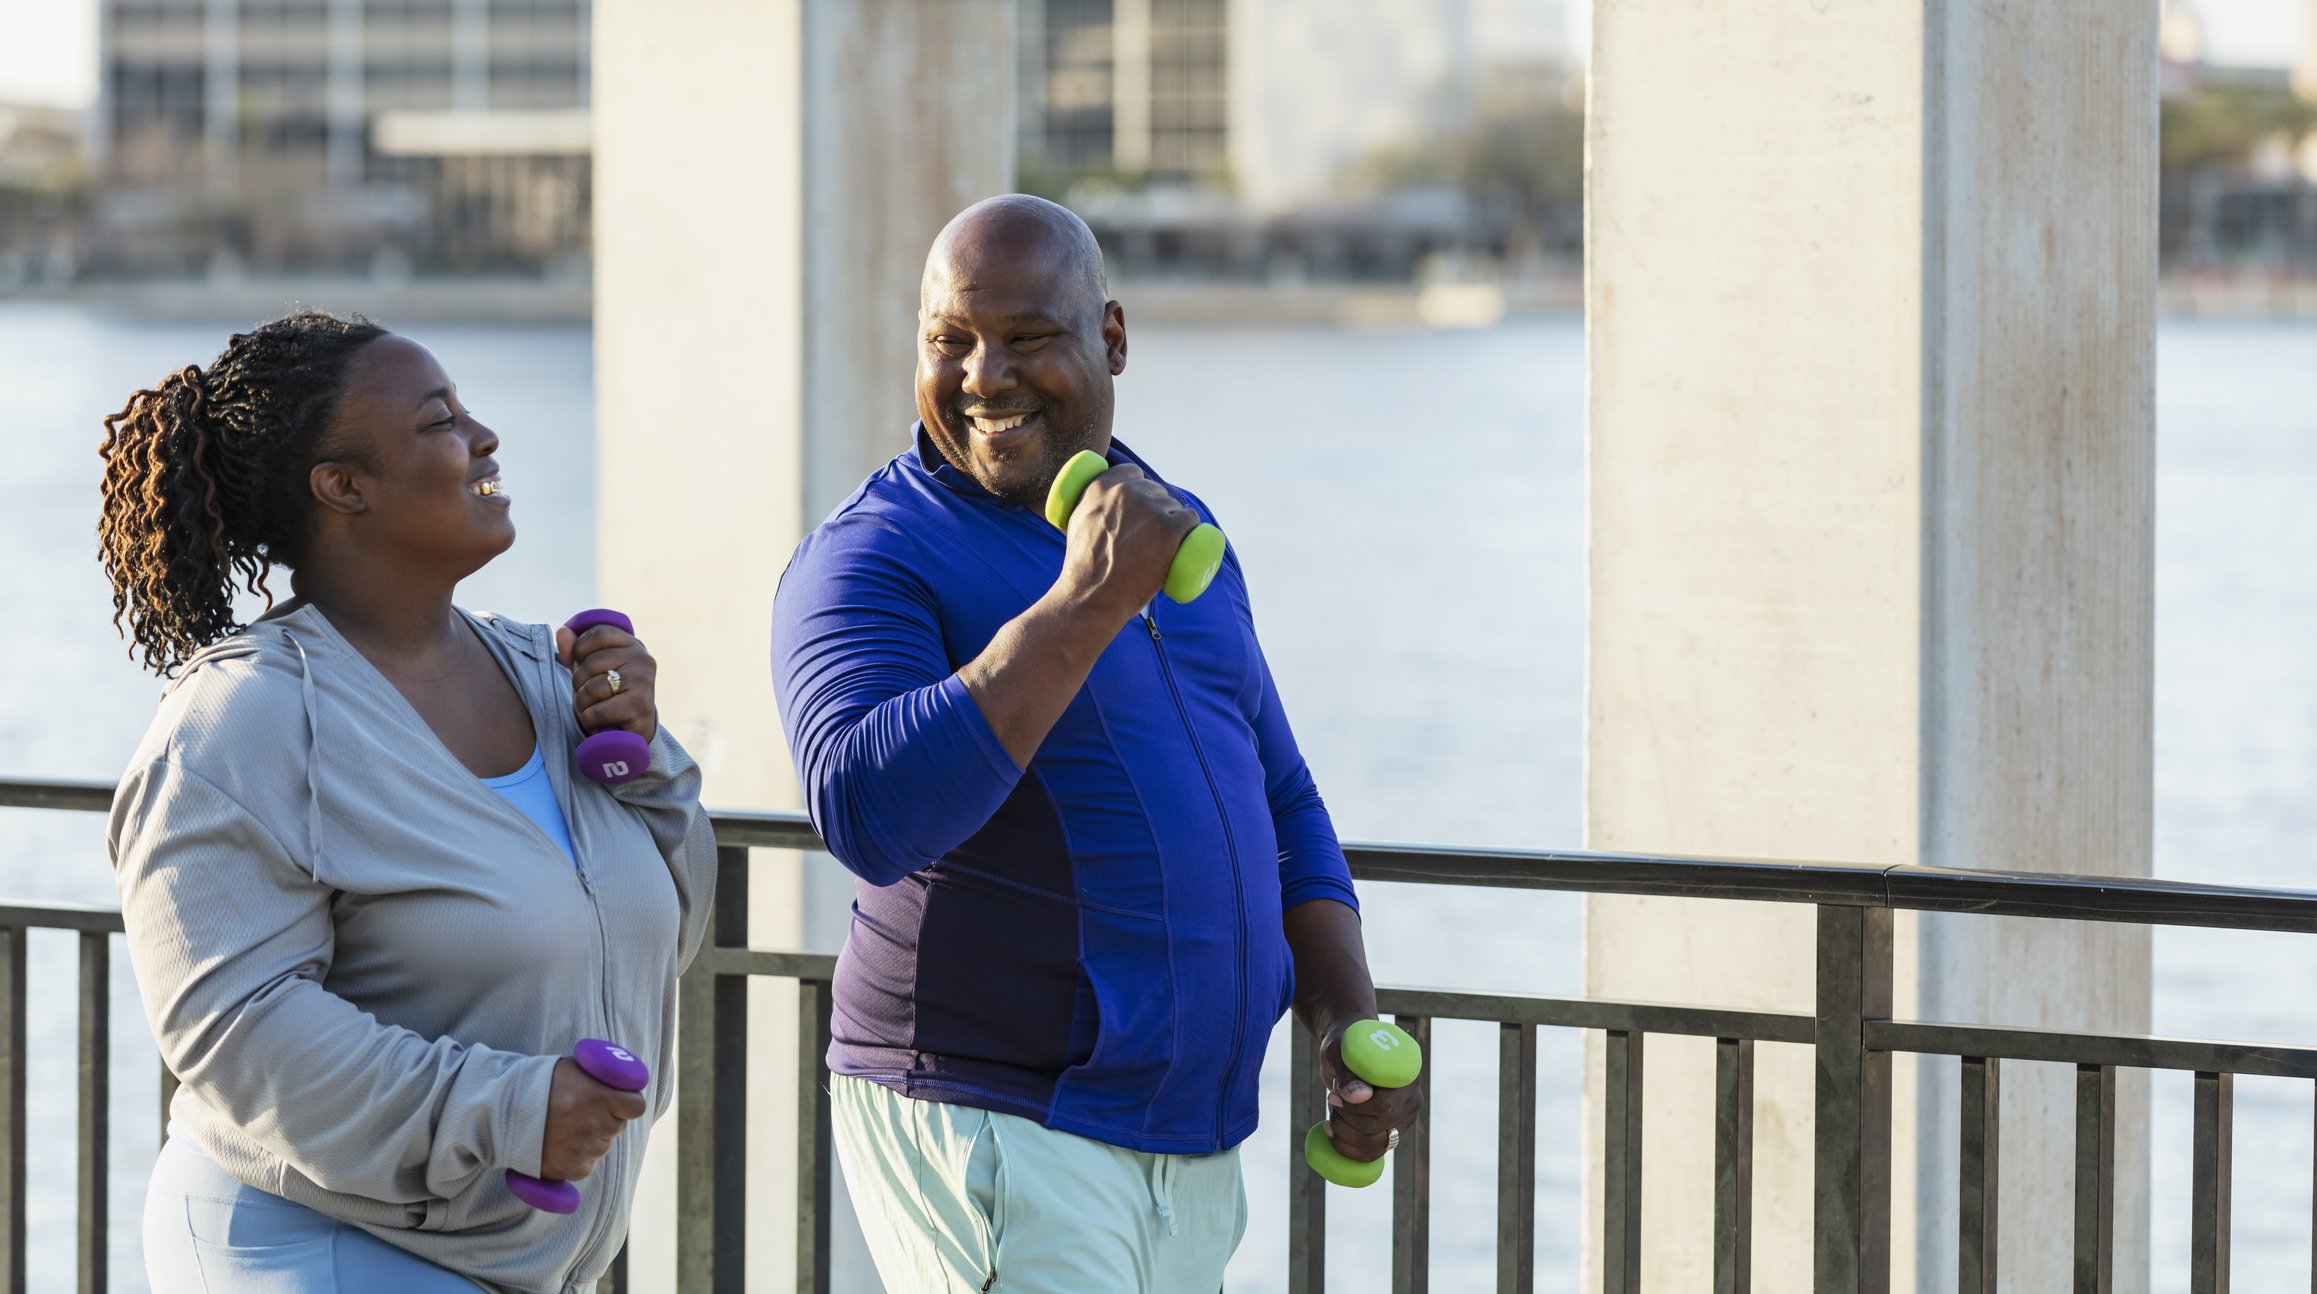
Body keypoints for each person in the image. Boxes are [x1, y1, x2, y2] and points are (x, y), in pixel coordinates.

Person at [770, 195, 1421, 1292]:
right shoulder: (866, 557)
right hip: (998, 1121)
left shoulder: (1172, 529)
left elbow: (1282, 803)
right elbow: (865, 812)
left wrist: (1342, 1012)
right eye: (949, 342)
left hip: (1187, 1144)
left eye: (1026, 338)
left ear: (1110, 338)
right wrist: (1080, 602)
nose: (982, 376)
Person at [99, 312, 715, 1293]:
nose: (484, 437)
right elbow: (234, 1028)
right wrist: (508, 1110)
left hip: (510, 1258)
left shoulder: (546, 674)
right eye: (441, 421)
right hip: (310, 1244)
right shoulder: (241, 718)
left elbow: (650, 938)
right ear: (343, 486)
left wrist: (641, 757)